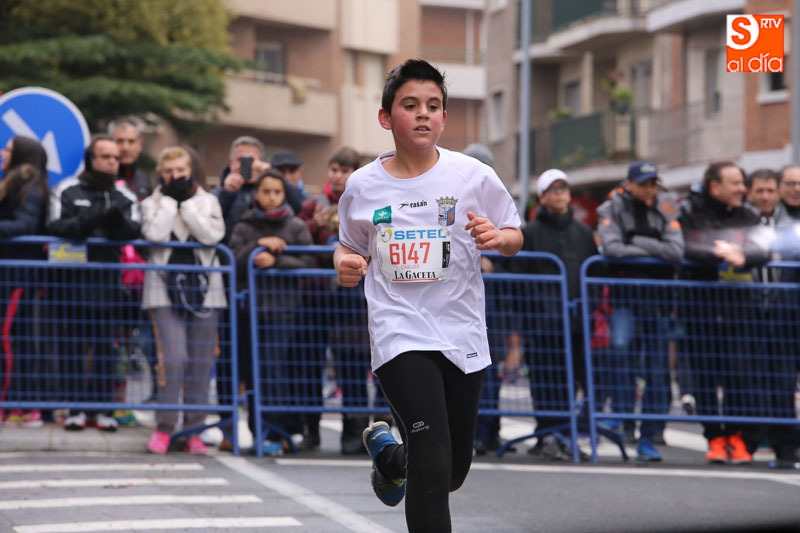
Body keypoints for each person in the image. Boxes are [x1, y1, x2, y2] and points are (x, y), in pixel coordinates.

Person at [334, 59, 522, 532]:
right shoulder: (362, 185)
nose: (423, 113)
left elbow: (514, 233)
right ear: (386, 118)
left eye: (433, 106)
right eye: (410, 105)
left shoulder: (472, 175)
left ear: (444, 118)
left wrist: (498, 237)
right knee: (434, 461)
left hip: (461, 331)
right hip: (399, 332)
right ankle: (405, 459)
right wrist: (344, 263)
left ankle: (389, 456)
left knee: (451, 469)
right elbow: (348, 244)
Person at [48, 134, 141, 431]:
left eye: (116, 158)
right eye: (106, 156)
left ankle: (102, 410)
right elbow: (54, 225)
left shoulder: (125, 195)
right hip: (70, 285)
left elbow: (135, 230)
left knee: (105, 349)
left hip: (108, 286)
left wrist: (117, 224)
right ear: (92, 159)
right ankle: (74, 409)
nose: (112, 162)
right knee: (71, 349)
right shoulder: (67, 189)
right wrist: (88, 221)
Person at [678, 161, 770, 465]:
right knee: (705, 376)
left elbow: (763, 247)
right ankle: (714, 438)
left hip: (740, 309)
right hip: (700, 308)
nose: (743, 189)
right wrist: (716, 253)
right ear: (715, 186)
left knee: (739, 376)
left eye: (743, 183)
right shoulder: (690, 210)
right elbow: (685, 245)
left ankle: (736, 437)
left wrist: (742, 255)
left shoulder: (748, 213)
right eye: (736, 183)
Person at [596, 161, 684, 462]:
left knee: (657, 371)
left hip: (658, 302)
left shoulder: (666, 206)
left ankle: (649, 435)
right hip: (625, 300)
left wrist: (635, 241)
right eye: (644, 183)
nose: (650, 189)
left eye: (653, 183)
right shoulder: (611, 207)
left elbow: (676, 251)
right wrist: (654, 248)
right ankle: (623, 418)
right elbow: (612, 249)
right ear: (629, 184)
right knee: (620, 351)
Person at [140, 146, 226, 455]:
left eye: (180, 171)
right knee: (174, 359)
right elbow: (155, 235)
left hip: (206, 291)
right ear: (160, 174)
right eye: (168, 172)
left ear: (190, 172)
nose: (175, 176)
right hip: (163, 290)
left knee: (201, 362)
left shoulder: (208, 200)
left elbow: (211, 236)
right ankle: (165, 427)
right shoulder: (151, 203)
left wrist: (187, 204)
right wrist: (168, 202)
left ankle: (194, 430)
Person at [228, 168, 315, 454]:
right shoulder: (244, 226)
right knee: (252, 373)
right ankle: (259, 432)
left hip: (284, 311)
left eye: (277, 192)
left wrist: (276, 261)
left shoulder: (295, 226)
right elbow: (233, 261)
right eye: (265, 191)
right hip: (249, 310)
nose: (271, 197)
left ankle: (279, 432)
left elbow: (309, 263)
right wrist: (257, 247)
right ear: (256, 194)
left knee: (275, 370)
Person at [514, 168, 597, 461]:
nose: (560, 194)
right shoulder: (530, 233)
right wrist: (534, 308)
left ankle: (564, 434)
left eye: (564, 189)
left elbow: (593, 272)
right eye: (553, 189)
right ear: (542, 197)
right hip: (542, 324)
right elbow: (520, 275)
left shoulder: (583, 232)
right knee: (544, 378)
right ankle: (546, 434)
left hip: (576, 321)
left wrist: (588, 307)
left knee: (571, 379)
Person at [297, 147, 369, 454]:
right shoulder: (314, 205)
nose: (338, 176)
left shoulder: (364, 201)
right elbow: (296, 236)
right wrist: (314, 225)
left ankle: (355, 433)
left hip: (351, 297)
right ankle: (310, 430)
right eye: (334, 169)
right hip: (317, 298)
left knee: (352, 364)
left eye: (345, 170)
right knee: (310, 364)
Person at [744, 168, 800, 467]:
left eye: (770, 191)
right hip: (748, 312)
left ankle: (785, 446)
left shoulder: (791, 224)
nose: (765, 197)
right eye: (759, 191)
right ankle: (750, 441)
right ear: (749, 193)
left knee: (783, 381)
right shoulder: (742, 221)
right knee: (750, 379)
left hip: (784, 313)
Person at [0, 136, 49, 427]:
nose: (2, 152)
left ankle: (16, 404)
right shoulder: (13, 182)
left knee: (9, 338)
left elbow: (25, 224)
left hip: (17, 276)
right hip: (10, 274)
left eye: (8, 149)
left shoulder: (29, 187)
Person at [109, 118, 153, 201]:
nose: (125, 148)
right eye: (119, 141)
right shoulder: (102, 180)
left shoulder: (144, 180)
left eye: (131, 141)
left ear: (139, 145)